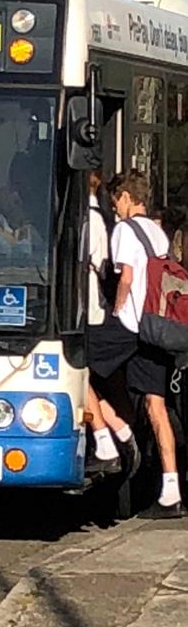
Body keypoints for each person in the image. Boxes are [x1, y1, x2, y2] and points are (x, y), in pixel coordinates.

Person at [91, 169, 186, 518]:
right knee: (156, 406)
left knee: (76, 361)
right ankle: (171, 491)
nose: (115, 207)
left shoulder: (123, 230)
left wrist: (114, 311)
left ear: (128, 198)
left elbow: (127, 279)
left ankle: (109, 435)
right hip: (156, 329)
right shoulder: (159, 234)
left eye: (116, 200)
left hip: (130, 324)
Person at [85, 171, 139, 478]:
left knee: (77, 374)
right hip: (96, 309)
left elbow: (120, 275)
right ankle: (117, 432)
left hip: (91, 311)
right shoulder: (102, 220)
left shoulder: (89, 220)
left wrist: (117, 311)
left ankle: (107, 439)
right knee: (82, 380)